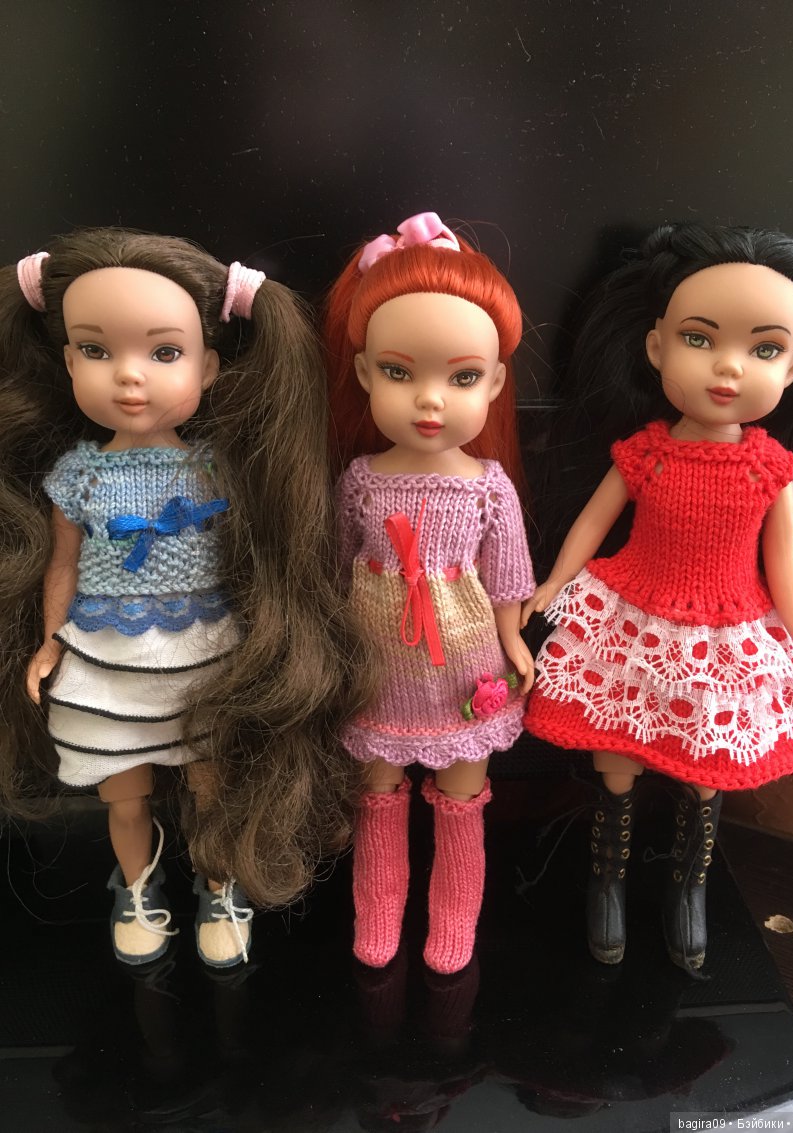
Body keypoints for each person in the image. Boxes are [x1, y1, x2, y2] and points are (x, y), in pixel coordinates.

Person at [0, 229, 371, 967]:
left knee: (212, 786)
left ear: (209, 366)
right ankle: (136, 888)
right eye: (96, 350)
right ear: (68, 361)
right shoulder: (78, 475)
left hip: (203, 652)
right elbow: (62, 567)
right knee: (122, 791)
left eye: (163, 353)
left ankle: (220, 884)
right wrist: (48, 641)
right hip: (105, 654)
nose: (128, 377)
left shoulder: (215, 471)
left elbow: (252, 565)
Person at [522, 222, 793, 970]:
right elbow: (592, 524)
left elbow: (784, 560)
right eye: (700, 339)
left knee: (706, 765)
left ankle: (689, 887)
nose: (728, 367)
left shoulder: (770, 468)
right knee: (615, 753)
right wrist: (556, 581)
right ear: (656, 346)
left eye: (764, 350)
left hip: (724, 632)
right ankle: (607, 877)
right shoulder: (646, 453)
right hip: (634, 617)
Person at [324, 211, 536, 974]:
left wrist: (513, 640)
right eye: (399, 372)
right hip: (376, 666)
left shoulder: (487, 487)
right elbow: (336, 568)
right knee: (376, 796)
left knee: (462, 800)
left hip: (463, 666)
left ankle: (453, 919)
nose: (430, 400)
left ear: (496, 382)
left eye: (463, 377)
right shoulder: (359, 484)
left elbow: (507, 577)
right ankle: (378, 910)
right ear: (362, 373)